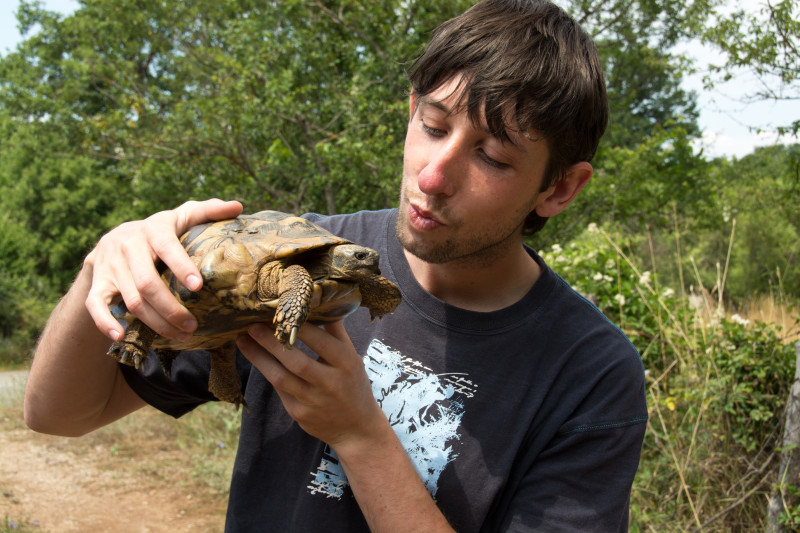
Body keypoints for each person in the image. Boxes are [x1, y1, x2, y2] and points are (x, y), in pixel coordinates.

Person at [24, 0, 647, 531]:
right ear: (411, 111)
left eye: (492, 157)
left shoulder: (589, 372)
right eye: (432, 125)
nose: (432, 175)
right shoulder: (296, 245)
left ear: (560, 189)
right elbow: (57, 415)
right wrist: (98, 270)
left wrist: (362, 437)